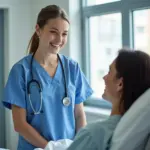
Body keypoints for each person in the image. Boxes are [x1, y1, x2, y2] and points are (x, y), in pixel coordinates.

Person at [2, 5, 93, 150]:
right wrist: (50, 147)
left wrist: (78, 145)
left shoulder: (72, 68)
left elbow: (79, 116)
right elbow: (20, 124)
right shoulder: (20, 71)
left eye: (64, 34)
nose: (59, 39)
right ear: (38, 29)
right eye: (53, 32)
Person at [67, 49, 150, 150]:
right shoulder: (142, 134)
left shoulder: (93, 134)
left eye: (109, 72)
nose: (104, 77)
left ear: (120, 84)